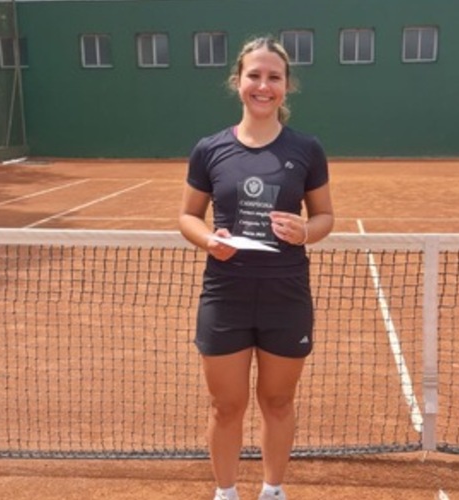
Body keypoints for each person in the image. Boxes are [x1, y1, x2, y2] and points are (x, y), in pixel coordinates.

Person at [178, 36, 334, 500]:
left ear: (287, 86)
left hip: (286, 295)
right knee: (226, 406)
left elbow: (325, 216)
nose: (263, 86)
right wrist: (209, 239)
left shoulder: (307, 148)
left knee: (278, 402)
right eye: (254, 75)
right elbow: (187, 215)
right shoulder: (210, 149)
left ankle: (272, 490)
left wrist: (305, 231)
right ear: (238, 81)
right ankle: (225, 493)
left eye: (273, 77)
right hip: (225, 294)